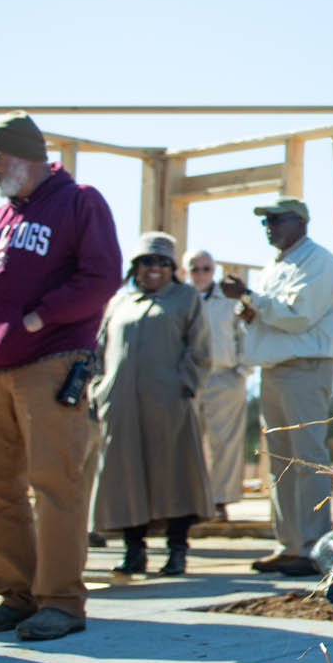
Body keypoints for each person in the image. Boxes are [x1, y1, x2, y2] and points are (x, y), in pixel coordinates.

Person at [0, 112, 122, 643]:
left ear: (26, 154)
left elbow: (102, 276)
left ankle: (61, 601)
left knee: (56, 484)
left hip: (49, 363)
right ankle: (18, 595)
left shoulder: (79, 200)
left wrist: (38, 317)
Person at [223, 198, 333, 577]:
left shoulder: (318, 262)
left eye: (276, 220)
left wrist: (252, 300)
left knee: (307, 458)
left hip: (305, 370)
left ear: (301, 222)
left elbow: (298, 316)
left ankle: (313, 547)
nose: (269, 227)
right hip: (276, 371)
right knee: (280, 463)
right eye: (266, 222)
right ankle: (289, 545)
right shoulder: (276, 267)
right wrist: (251, 309)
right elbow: (270, 314)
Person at [90, 233, 213, 578]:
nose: (154, 268)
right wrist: (99, 390)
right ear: (136, 267)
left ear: (172, 267)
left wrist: (184, 385)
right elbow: (98, 349)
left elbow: (201, 348)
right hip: (121, 406)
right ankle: (134, 551)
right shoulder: (119, 303)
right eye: (146, 261)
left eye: (161, 262)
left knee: (175, 476)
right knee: (125, 478)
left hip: (169, 404)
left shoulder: (186, 298)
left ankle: (176, 551)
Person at [186, 249, 247, 522]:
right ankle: (188, 502)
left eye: (206, 268)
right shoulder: (179, 299)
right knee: (186, 442)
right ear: (186, 271)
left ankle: (220, 500)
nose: (201, 274)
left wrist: (241, 371)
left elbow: (245, 334)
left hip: (223, 376)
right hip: (186, 379)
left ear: (214, 270)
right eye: (195, 268)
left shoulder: (228, 301)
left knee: (225, 442)